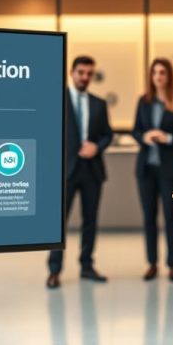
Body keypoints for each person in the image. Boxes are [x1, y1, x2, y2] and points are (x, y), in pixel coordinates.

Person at [47, 55, 113, 289]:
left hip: (92, 171)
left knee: (90, 221)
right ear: (71, 72)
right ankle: (54, 270)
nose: (85, 77)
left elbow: (107, 134)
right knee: (58, 223)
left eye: (89, 74)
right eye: (81, 72)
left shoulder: (99, 103)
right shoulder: (56, 99)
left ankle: (87, 266)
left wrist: (97, 146)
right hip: (65, 171)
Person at [133, 58, 173, 282]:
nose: (158, 76)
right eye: (155, 72)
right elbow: (135, 131)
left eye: (162, 73)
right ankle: (152, 263)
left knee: (170, 217)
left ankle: (172, 264)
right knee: (149, 217)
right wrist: (145, 137)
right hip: (146, 168)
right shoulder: (144, 102)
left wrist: (167, 137)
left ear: (169, 77)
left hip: (170, 169)